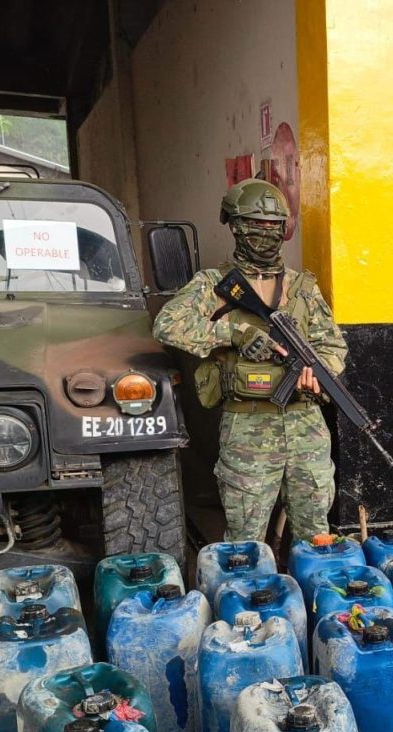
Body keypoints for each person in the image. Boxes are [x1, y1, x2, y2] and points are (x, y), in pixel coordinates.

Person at [153, 178, 347, 541]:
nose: (265, 234)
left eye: (274, 227)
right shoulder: (214, 284)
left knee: (317, 535)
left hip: (306, 425)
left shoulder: (302, 288)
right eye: (255, 225)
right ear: (235, 226)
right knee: (245, 542)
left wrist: (319, 373)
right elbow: (167, 324)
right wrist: (232, 333)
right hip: (247, 430)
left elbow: (333, 346)